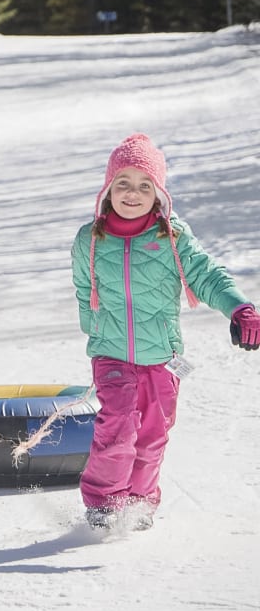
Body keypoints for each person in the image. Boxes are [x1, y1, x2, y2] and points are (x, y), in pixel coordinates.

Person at [71, 133, 260, 531]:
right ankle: (105, 505)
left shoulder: (171, 237)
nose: (132, 193)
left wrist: (240, 307)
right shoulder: (90, 239)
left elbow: (207, 275)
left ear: (159, 193)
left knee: (152, 436)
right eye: (122, 183)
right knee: (118, 426)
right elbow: (84, 289)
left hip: (163, 357)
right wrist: (96, 332)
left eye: (145, 185)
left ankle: (139, 504)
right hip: (112, 354)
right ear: (108, 189)